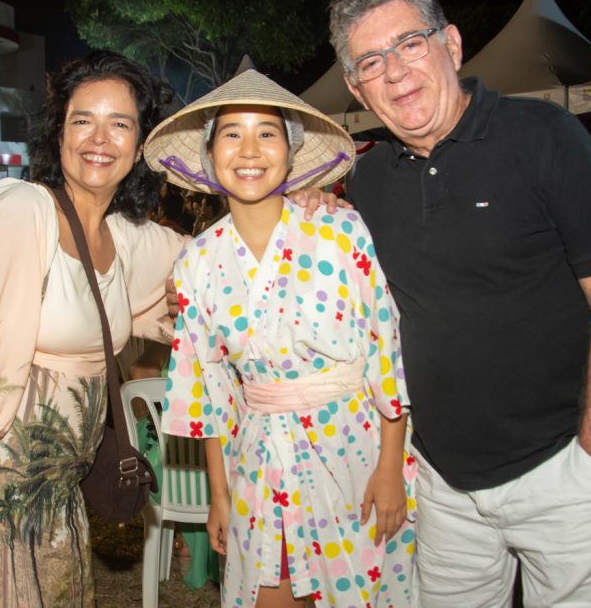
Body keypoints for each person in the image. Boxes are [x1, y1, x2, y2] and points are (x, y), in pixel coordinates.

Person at [320, 0, 591, 606]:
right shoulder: (368, 183)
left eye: (410, 44)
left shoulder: (545, 136)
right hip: (443, 487)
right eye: (371, 61)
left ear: (450, 44)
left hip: (562, 472)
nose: (394, 71)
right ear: (356, 86)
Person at [0, 51, 185, 606]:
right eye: (82, 120)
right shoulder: (20, 210)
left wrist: (296, 200)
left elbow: (225, 261)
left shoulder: (126, 237)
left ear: (141, 143)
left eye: (120, 123)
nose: (100, 138)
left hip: (53, 495)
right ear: (59, 133)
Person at [148, 70, 417, 608]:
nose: (249, 150)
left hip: (354, 451)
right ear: (209, 155)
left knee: (360, 592)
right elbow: (208, 389)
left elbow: (384, 350)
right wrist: (219, 495)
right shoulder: (197, 260)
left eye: (267, 133)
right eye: (231, 134)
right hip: (258, 461)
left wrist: (391, 468)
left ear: (291, 154)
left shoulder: (341, 231)